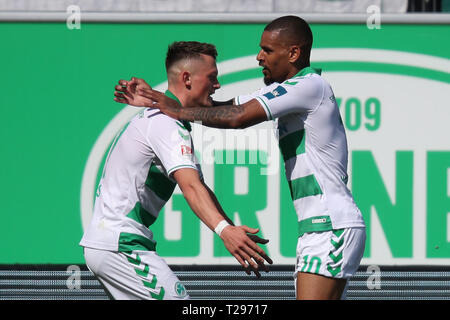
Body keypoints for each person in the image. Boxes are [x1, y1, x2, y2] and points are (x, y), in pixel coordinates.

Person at [114, 16, 366, 300]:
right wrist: (159, 98)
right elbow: (228, 106)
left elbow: (238, 117)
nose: (259, 57)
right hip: (320, 228)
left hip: (329, 225)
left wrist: (178, 111)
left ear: (294, 53)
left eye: (268, 51)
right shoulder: (286, 90)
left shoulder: (310, 86)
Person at [81, 41, 272, 300]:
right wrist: (225, 232)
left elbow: (200, 187)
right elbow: (190, 187)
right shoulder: (166, 125)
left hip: (113, 244)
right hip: (120, 244)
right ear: (187, 78)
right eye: (212, 77)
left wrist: (230, 227)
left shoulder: (167, 120)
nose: (217, 85)